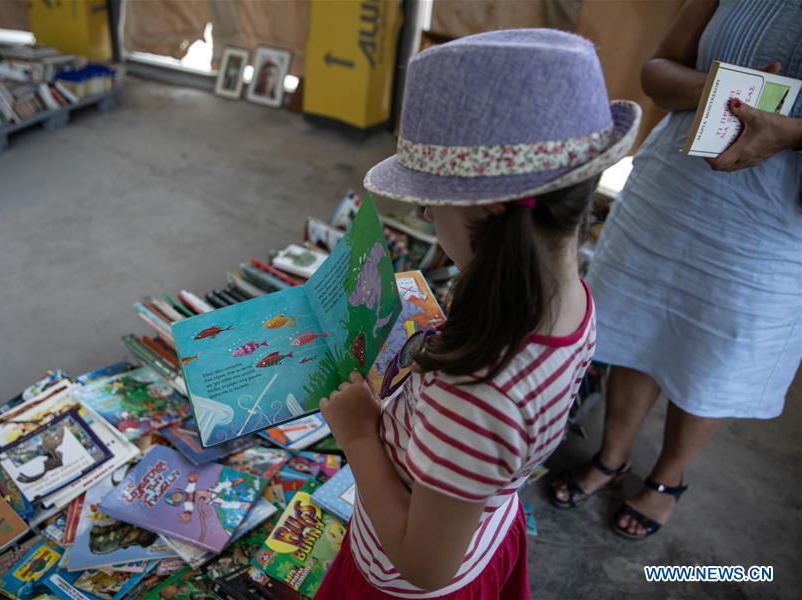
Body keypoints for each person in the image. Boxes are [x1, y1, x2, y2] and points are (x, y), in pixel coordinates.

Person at [315, 29, 641, 598]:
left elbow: (425, 564)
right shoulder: (573, 299)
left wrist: (360, 437)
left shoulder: (472, 391)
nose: (427, 221)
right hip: (484, 531)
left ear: (485, 211)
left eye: (427, 206)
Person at [551, 0, 802, 540]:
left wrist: (791, 132)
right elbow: (656, 71)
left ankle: (667, 475)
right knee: (636, 327)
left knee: (716, 357)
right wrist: (718, 91)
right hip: (674, 188)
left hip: (778, 218)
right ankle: (612, 454)